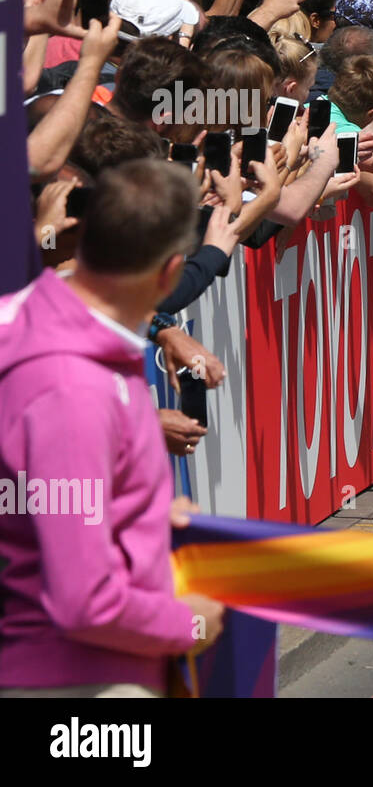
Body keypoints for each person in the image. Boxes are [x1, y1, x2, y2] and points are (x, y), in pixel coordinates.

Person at [0, 159, 225, 697]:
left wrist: (139, 509)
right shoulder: (72, 389)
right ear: (171, 272)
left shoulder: (36, 324)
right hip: (79, 682)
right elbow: (85, 601)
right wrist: (189, 626)